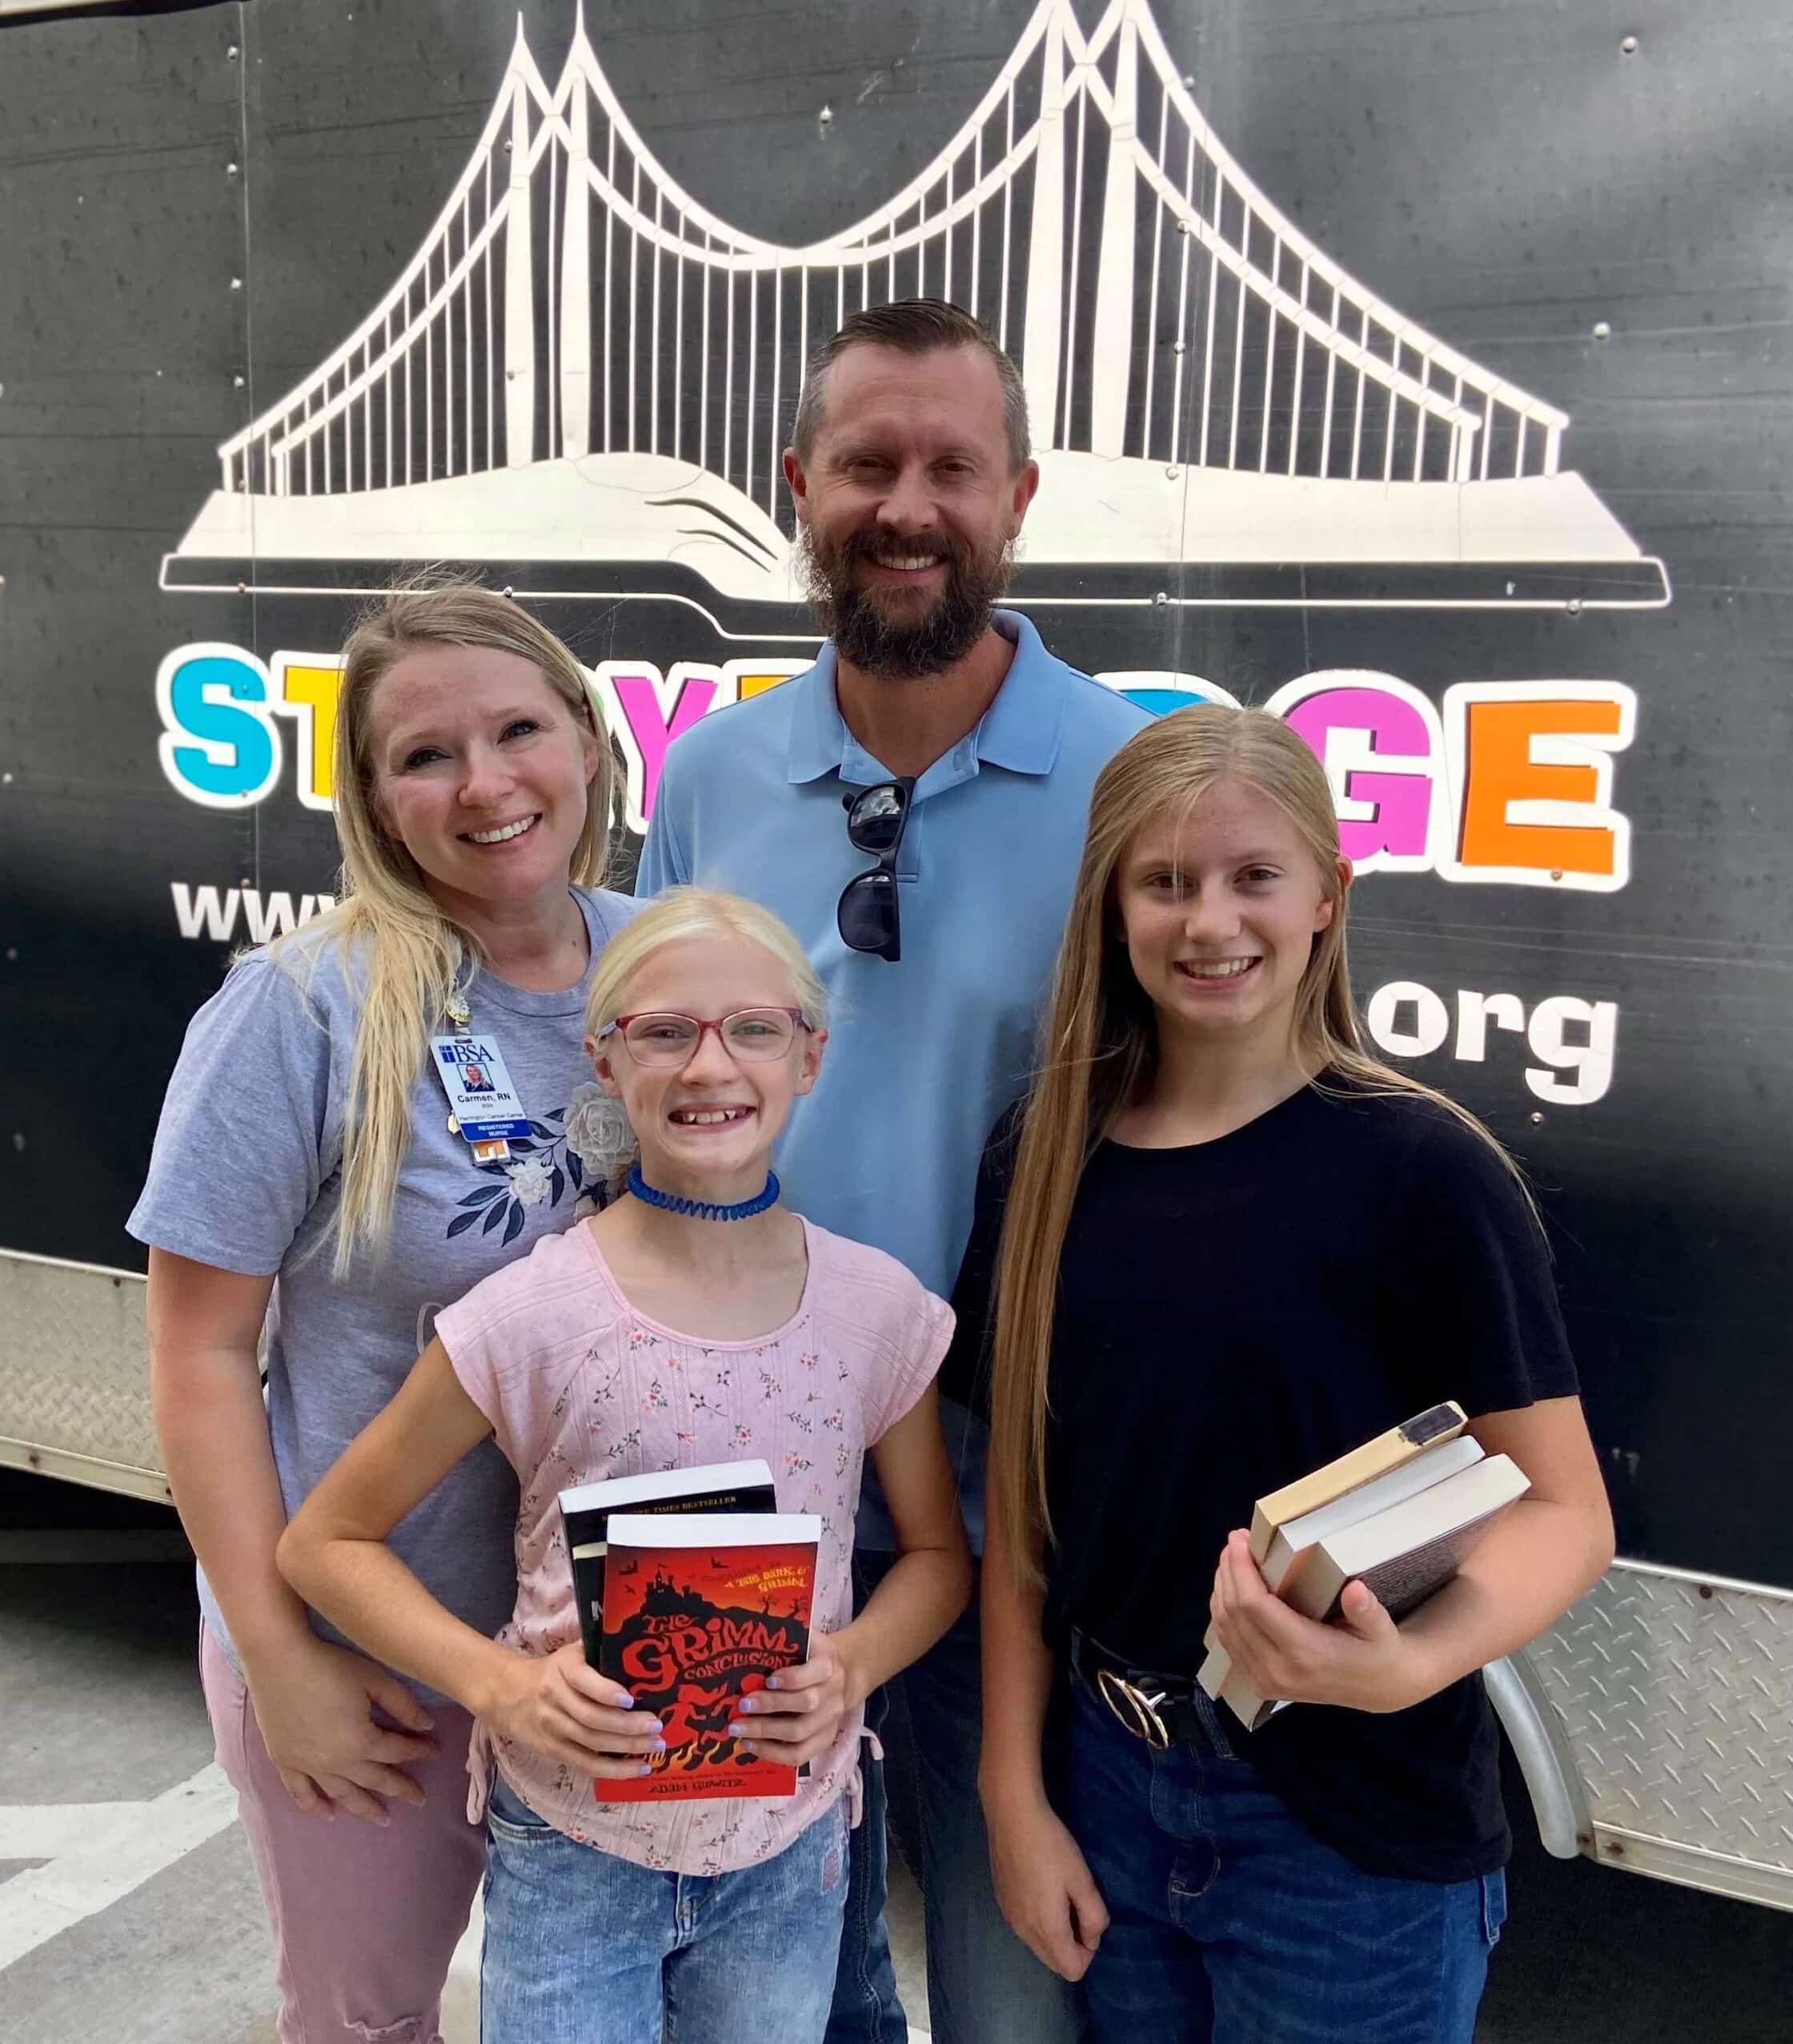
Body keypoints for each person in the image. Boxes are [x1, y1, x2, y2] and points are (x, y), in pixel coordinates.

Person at [637, 296, 1151, 2043]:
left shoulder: (1130, 787)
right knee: (761, 1977)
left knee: (1015, 1992)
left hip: (1016, 1482)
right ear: (800, 484)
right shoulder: (707, 776)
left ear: (1018, 492)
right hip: (740, 1463)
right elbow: (635, 1094)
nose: (906, 503)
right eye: (866, 462)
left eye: (950, 465)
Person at [963, 705, 1616, 2042]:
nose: (1212, 921)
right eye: (1166, 881)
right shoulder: (1042, 1158)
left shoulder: (1422, 1170)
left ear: (1328, 894)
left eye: (1254, 875)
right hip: (1112, 1786)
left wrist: (1408, 1663)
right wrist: (1011, 1797)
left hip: (1350, 1833)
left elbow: (1565, 1511)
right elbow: (1025, 1525)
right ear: (1111, 906)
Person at [275, 888, 973, 2044]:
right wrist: (501, 1687)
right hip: (573, 1841)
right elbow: (325, 1542)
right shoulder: (530, 1314)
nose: (712, 1065)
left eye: (752, 1029)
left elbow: (940, 1556)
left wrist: (850, 1664)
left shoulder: (874, 1307)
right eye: (666, 1031)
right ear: (603, 1056)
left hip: (785, 1842)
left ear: (810, 1055)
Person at [129, 582, 646, 2044]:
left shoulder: (668, 966)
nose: (484, 783)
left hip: (610, 1661)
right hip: (378, 1661)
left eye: (517, 729)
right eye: (425, 756)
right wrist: (281, 1658)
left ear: (590, 744)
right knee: (367, 2025)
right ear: (370, 796)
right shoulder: (302, 1011)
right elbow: (200, 1350)